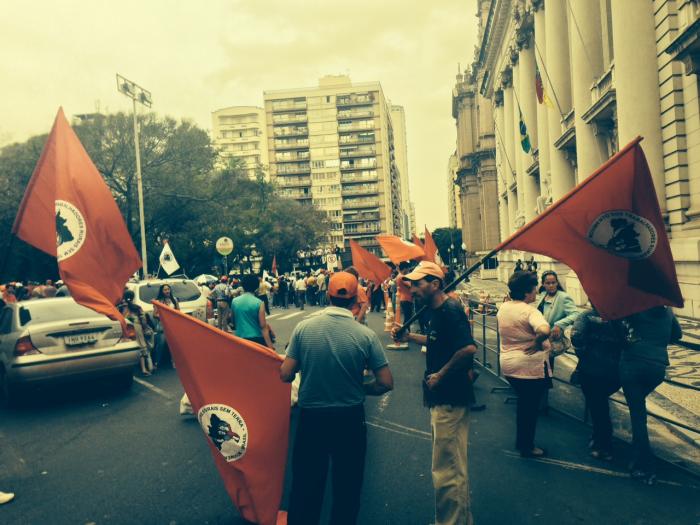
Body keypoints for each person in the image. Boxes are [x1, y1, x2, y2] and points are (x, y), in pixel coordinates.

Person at [280, 272, 394, 525]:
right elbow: (386, 382)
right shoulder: (366, 336)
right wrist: (360, 388)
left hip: (312, 420)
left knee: (306, 486)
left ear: (327, 295)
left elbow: (286, 374)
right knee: (347, 486)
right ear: (356, 298)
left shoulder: (303, 328)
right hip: (350, 419)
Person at [392, 261, 477, 525]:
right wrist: (409, 339)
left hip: (450, 397)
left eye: (418, 283)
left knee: (447, 470)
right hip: (441, 398)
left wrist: (440, 375)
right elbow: (436, 340)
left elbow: (467, 349)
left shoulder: (451, 310)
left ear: (435, 284)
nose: (412, 288)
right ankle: (457, 519)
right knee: (448, 466)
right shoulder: (433, 311)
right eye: (411, 284)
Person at [619, 306, 682, 483]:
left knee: (638, 417)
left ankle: (644, 465)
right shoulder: (668, 311)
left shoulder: (635, 309)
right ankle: (639, 452)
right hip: (657, 367)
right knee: (638, 410)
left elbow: (620, 331)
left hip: (633, 364)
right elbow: (677, 334)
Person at [497, 271, 551, 458]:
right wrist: (537, 342)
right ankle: (527, 447)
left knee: (523, 406)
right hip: (528, 367)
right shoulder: (530, 311)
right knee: (529, 409)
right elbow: (544, 329)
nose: (537, 291)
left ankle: (523, 443)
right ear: (527, 292)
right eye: (535, 288)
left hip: (508, 363)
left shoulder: (504, 307)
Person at [570, 307, 624, 461]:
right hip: (614, 370)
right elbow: (629, 340)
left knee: (598, 407)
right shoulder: (621, 316)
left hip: (590, 369)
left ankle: (603, 445)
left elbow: (576, 336)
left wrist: (583, 353)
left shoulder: (587, 316)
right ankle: (599, 437)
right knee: (600, 404)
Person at [536, 271, 579, 412]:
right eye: (548, 283)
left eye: (553, 282)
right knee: (538, 371)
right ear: (543, 284)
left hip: (549, 341)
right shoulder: (542, 296)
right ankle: (538, 401)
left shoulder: (563, 297)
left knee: (546, 372)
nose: (551, 285)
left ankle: (542, 404)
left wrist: (560, 324)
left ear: (557, 282)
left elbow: (575, 314)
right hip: (538, 340)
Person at [231, 274, 274, 349]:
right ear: (256, 287)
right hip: (256, 340)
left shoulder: (234, 301)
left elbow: (233, 322)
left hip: (240, 339)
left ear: (243, 285)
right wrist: (270, 347)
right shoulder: (259, 303)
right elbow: (263, 327)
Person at [118, 289, 156, 376]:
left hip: (125, 329)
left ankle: (131, 369)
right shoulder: (137, 308)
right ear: (133, 297)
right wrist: (146, 328)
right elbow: (143, 320)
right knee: (142, 348)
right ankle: (147, 368)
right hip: (137, 328)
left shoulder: (120, 308)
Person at [153, 284, 180, 369]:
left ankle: (174, 361)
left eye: (168, 289)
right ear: (162, 291)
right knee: (160, 344)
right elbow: (154, 314)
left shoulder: (174, 300)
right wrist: (164, 317)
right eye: (165, 290)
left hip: (173, 326)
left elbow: (178, 311)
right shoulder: (158, 301)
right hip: (162, 326)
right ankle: (156, 362)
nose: (167, 291)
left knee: (174, 344)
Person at [396, 262, 414, 328]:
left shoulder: (398, 276)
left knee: (407, 317)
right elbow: (410, 285)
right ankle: (404, 331)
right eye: (408, 268)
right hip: (406, 299)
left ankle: (406, 331)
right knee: (408, 318)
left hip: (403, 298)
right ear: (405, 268)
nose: (409, 269)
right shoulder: (402, 277)